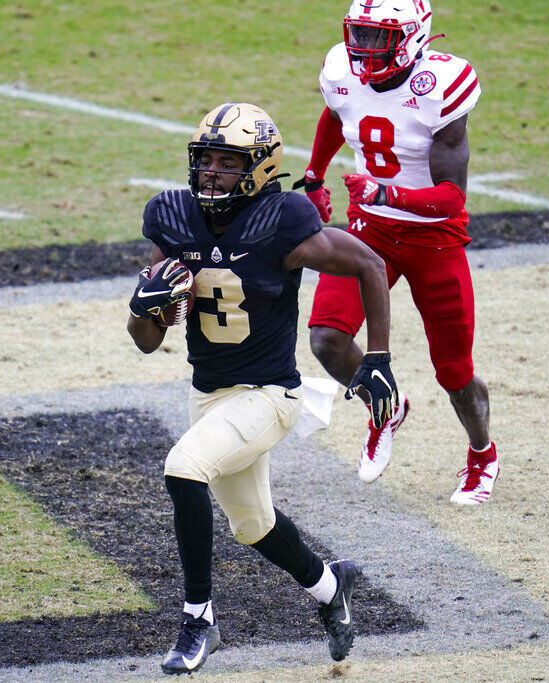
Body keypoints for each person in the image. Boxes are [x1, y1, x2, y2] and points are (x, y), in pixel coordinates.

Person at [127, 102, 398, 675]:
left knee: (184, 468)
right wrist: (143, 307)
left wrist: (377, 357)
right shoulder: (173, 218)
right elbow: (148, 340)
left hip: (269, 395)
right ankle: (331, 588)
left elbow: (371, 265)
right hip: (210, 395)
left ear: (258, 167)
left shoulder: (283, 220)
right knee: (253, 524)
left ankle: (198, 620)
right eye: (205, 161)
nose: (211, 174)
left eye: (227, 163)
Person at [294, 0, 498, 504]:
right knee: (326, 340)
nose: (362, 49)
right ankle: (385, 406)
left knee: (454, 371)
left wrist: (389, 193)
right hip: (369, 233)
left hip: (434, 238)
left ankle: (481, 455)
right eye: (358, 34)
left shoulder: (440, 88)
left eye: (377, 37)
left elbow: (452, 198)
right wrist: (316, 175)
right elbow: (335, 112)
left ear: (412, 38)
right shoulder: (342, 69)